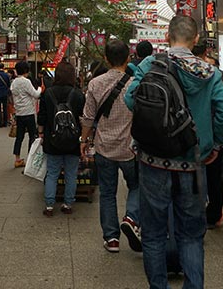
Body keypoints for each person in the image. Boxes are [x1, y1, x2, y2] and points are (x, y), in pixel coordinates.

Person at [124, 15, 223, 289]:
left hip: (153, 161)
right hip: (192, 162)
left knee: (153, 233)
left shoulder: (151, 64)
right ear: (196, 39)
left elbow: (130, 99)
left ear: (167, 37)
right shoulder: (209, 73)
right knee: (191, 235)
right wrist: (215, 144)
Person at [80, 38, 141, 253]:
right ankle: (132, 217)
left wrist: (84, 140)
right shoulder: (136, 83)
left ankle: (111, 238)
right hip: (130, 148)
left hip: (104, 146)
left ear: (105, 59)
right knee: (137, 186)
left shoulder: (95, 83)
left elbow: (87, 117)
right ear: (128, 58)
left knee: (107, 193)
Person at [37, 61, 85, 216]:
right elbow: (83, 117)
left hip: (53, 139)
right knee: (71, 173)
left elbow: (42, 117)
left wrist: (41, 134)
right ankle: (68, 204)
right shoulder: (78, 94)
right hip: (72, 139)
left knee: (52, 173)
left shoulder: (47, 93)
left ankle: (50, 206)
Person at [193, 39, 223, 228]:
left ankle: (198, 215)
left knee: (195, 178)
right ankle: (213, 214)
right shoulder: (216, 73)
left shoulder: (177, 70)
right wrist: (220, 140)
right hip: (213, 133)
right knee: (215, 177)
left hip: (189, 135)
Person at [10, 60, 40, 168]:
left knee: (19, 137)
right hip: (29, 112)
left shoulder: (14, 82)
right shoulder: (26, 82)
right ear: (26, 70)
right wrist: (41, 88)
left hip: (19, 113)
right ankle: (30, 159)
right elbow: (35, 94)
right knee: (32, 136)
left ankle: (17, 159)